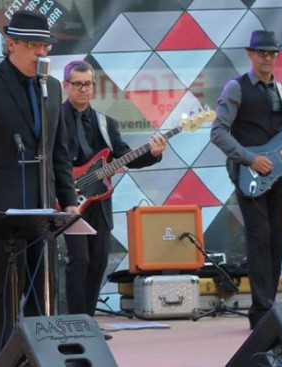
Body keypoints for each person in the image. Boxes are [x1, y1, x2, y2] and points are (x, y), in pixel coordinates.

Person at [0, 10, 79, 360]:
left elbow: (59, 150)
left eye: (44, 45)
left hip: (43, 207)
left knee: (44, 289)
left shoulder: (52, 88)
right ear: (10, 45)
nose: (41, 52)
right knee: (6, 290)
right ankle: (4, 358)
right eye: (33, 45)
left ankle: (40, 358)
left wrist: (68, 200)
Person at [210, 30, 282, 330]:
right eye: (262, 53)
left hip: (279, 174)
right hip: (248, 173)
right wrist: (250, 158)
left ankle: (271, 306)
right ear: (250, 55)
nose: (268, 57)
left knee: (276, 237)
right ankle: (261, 311)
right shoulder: (236, 88)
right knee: (259, 238)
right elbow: (218, 132)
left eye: (273, 53)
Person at [61, 60, 166, 318]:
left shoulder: (106, 123)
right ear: (66, 86)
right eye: (77, 84)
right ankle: (75, 321)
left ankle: (88, 321)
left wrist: (152, 154)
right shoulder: (54, 119)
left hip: (99, 202)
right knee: (79, 260)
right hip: (67, 198)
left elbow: (124, 156)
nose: (83, 89)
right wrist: (63, 190)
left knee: (97, 263)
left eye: (88, 84)